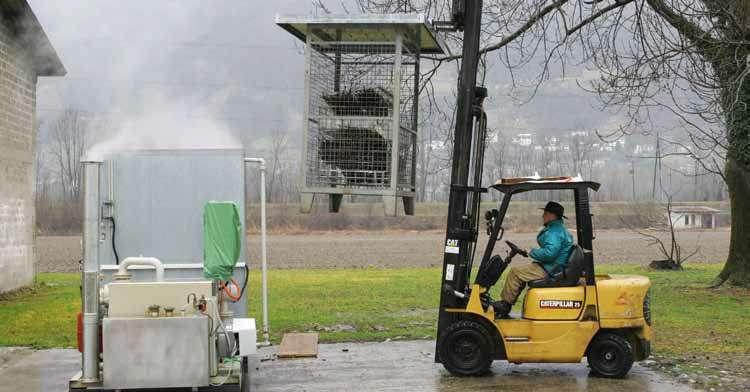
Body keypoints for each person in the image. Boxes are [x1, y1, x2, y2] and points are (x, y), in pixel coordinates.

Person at [493, 201, 573, 318]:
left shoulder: (554, 232)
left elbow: (550, 253)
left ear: (552, 215)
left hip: (551, 268)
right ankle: (507, 304)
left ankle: (505, 305)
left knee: (515, 272)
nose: (542, 216)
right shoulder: (559, 229)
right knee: (521, 272)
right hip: (554, 266)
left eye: (545, 213)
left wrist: (531, 252)